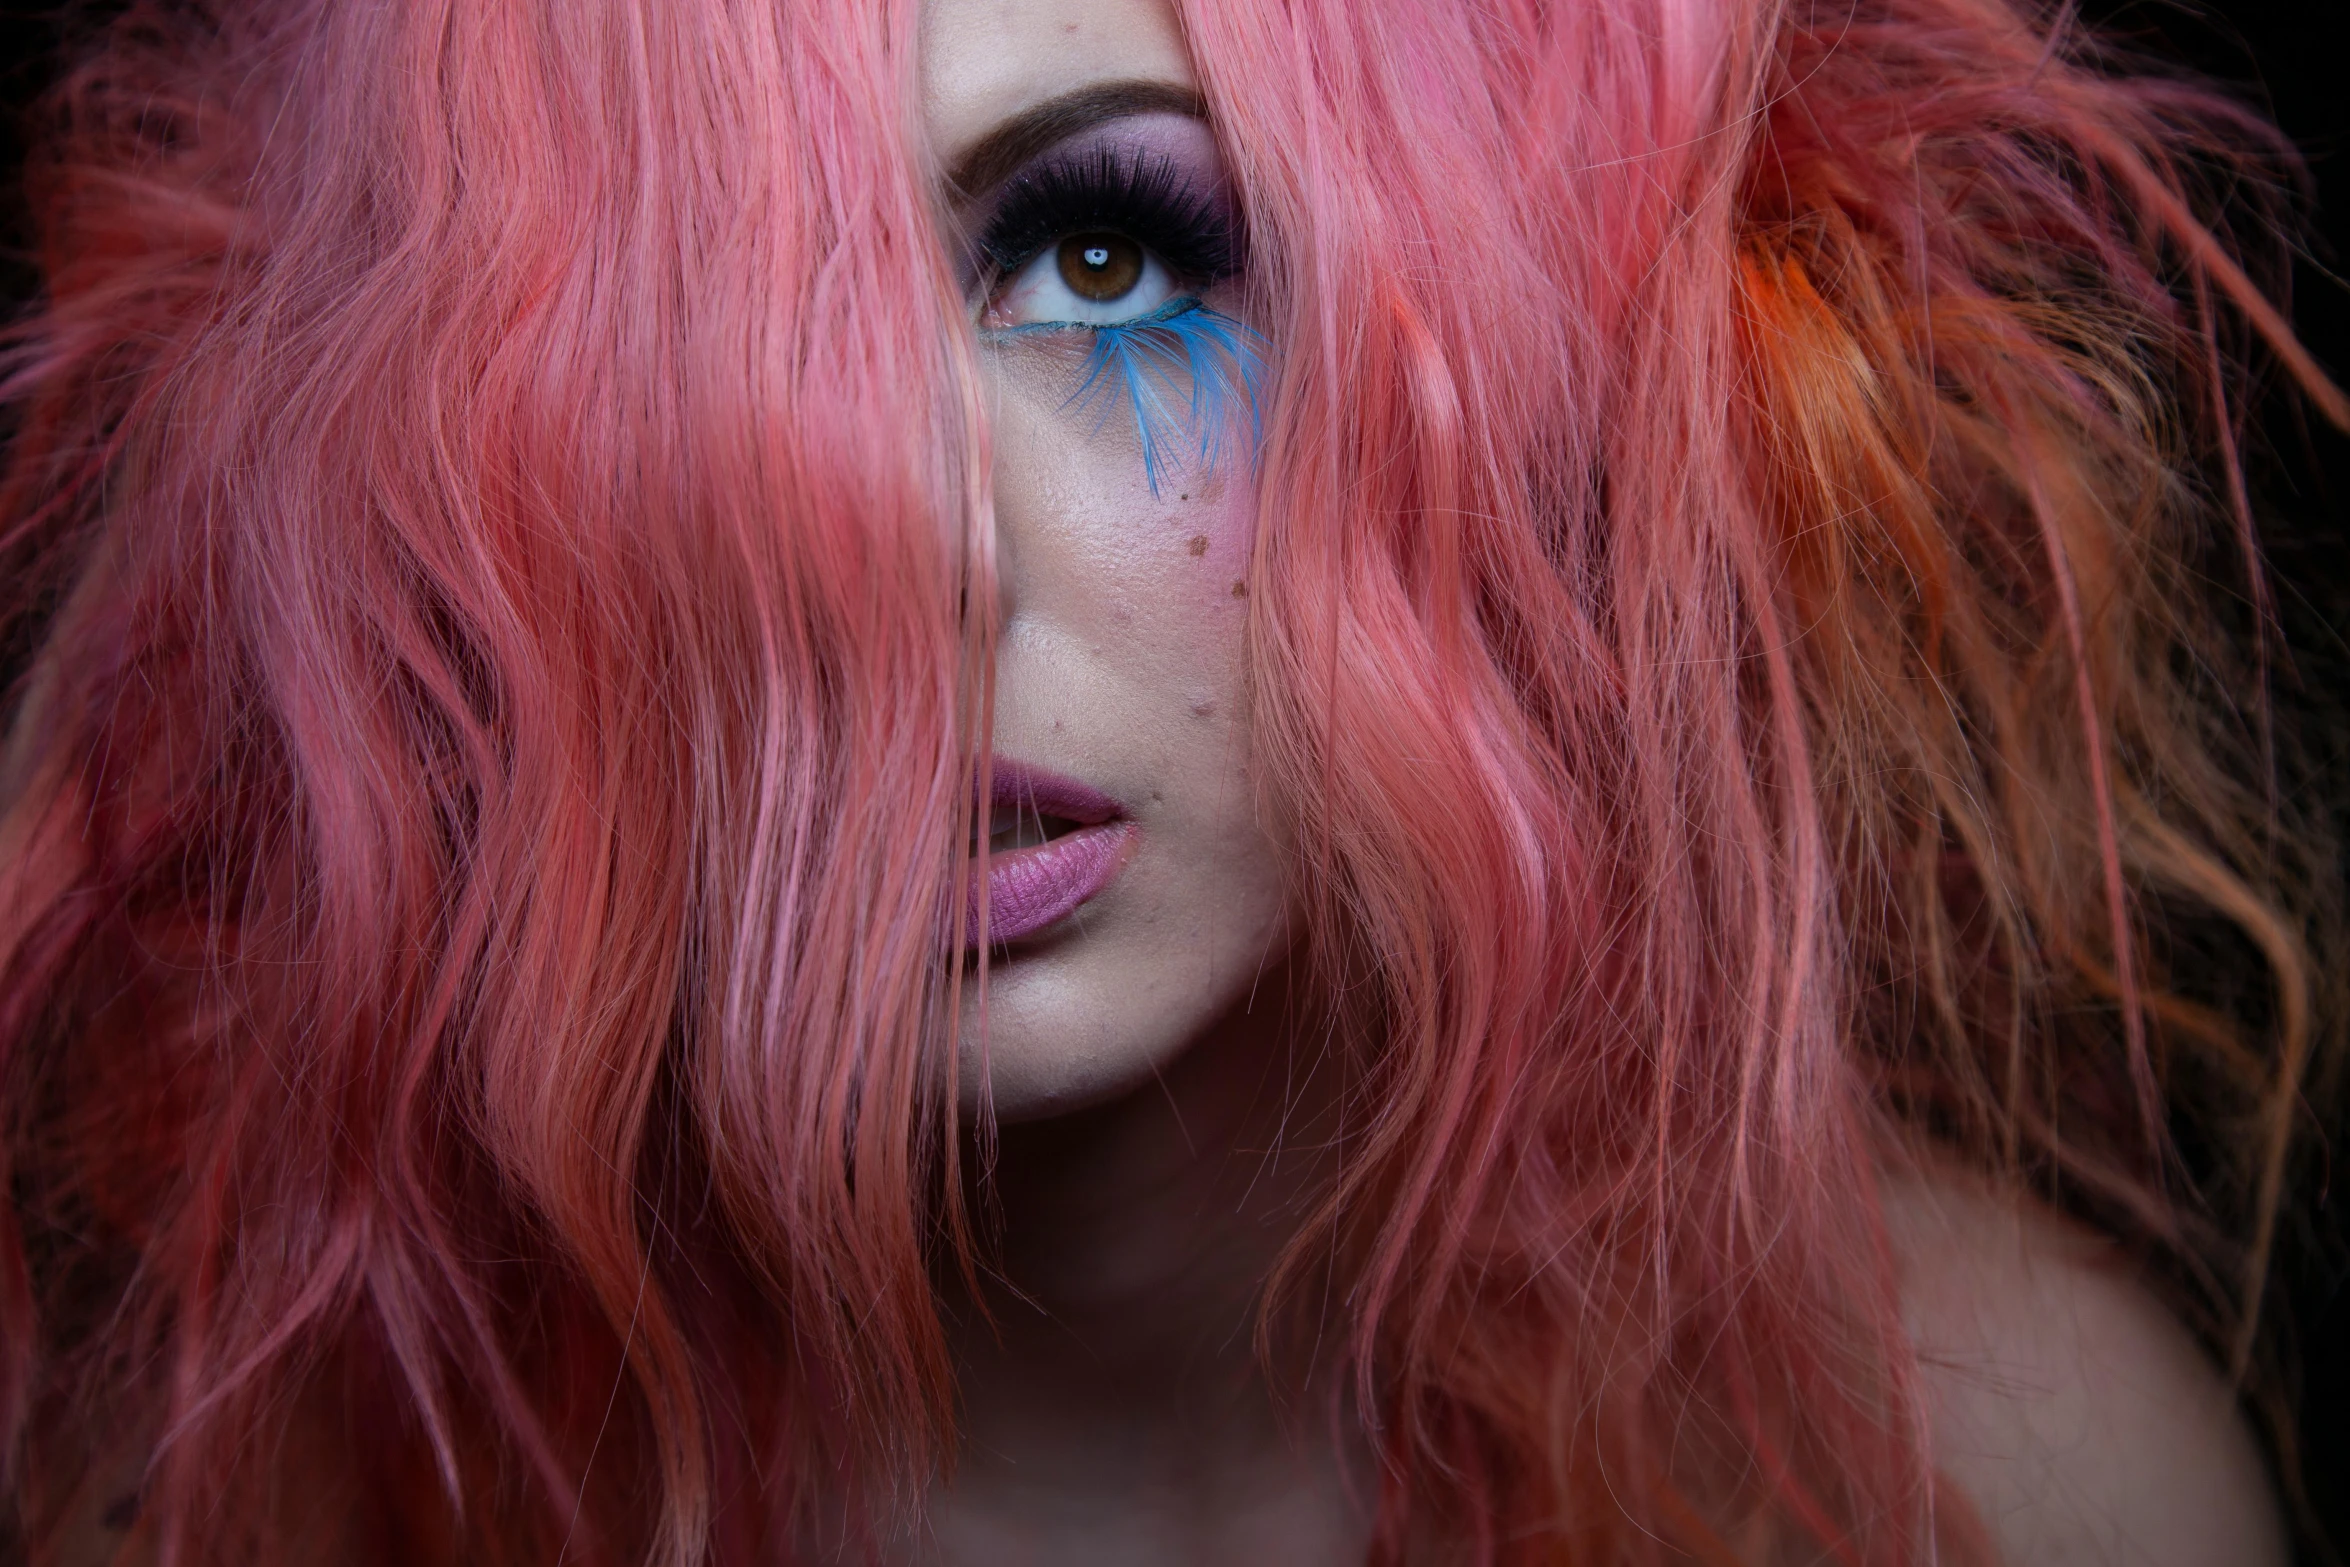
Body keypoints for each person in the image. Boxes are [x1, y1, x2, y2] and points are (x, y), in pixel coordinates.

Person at [0, 0, 2337, 1561]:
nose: (898, 557)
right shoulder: (231, 1500)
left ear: (1506, 353)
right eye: (672, 361)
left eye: (1109, 258)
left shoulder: (2004, 1480)